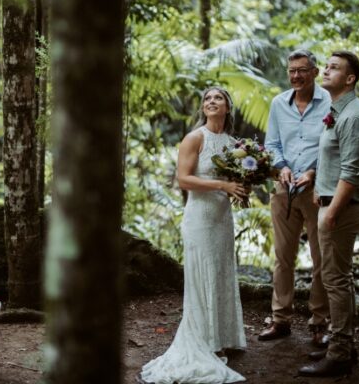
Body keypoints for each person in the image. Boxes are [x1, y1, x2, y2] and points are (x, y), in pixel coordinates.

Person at [140, 87, 248, 384]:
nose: (211, 102)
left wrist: (241, 187)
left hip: (222, 218)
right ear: (203, 108)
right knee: (203, 274)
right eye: (207, 99)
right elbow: (184, 180)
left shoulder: (234, 143)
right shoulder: (195, 138)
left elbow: (237, 178)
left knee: (222, 272)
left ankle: (222, 336)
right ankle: (203, 338)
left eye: (218, 98)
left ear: (228, 106)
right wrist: (222, 187)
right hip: (200, 217)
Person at [298, 51, 359, 378]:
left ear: (350, 78)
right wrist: (319, 187)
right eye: (326, 66)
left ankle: (339, 352)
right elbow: (333, 158)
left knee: (335, 280)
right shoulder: (337, 109)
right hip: (330, 201)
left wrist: (331, 214)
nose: (326, 71)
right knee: (341, 278)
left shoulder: (354, 115)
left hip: (341, 209)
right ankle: (346, 342)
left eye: (333, 68)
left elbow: (352, 171)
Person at [260, 49, 331, 346]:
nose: (296, 76)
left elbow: (333, 146)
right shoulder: (279, 103)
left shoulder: (329, 101)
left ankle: (319, 322)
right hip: (284, 190)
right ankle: (280, 319)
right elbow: (272, 143)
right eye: (292, 71)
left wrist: (314, 171)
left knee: (320, 258)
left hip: (317, 191)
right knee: (282, 258)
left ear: (314, 72)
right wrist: (282, 166)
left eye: (302, 70)